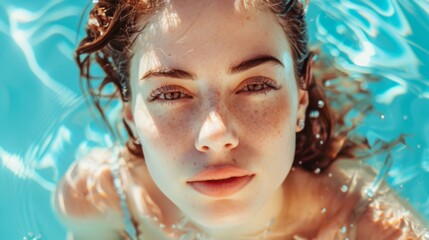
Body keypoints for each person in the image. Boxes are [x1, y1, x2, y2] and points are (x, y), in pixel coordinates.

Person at [53, 0, 429, 239]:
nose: (216, 134)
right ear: (130, 114)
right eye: (169, 93)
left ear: (300, 100)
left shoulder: (375, 230)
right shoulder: (100, 202)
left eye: (255, 86)